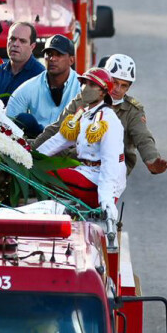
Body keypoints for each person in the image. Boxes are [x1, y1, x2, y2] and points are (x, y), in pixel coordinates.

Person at [34, 54, 167, 176]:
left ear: (128, 88)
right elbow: (57, 129)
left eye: (123, 86)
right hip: (75, 160)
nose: (117, 89)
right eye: (115, 82)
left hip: (110, 170)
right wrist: (31, 151)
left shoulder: (132, 111)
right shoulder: (82, 100)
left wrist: (152, 161)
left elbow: (143, 139)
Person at [37, 68, 125, 221]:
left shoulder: (108, 121)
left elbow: (110, 164)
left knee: (44, 173)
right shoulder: (84, 114)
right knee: (37, 168)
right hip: (85, 171)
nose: (85, 88)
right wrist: (30, 158)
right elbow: (58, 141)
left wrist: (106, 201)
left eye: (91, 85)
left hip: (97, 183)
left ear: (103, 92)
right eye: (84, 83)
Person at [6, 34, 80, 137]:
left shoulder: (82, 88)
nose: (52, 59)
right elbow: (8, 122)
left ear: (71, 60)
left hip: (70, 144)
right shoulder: (29, 87)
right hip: (37, 145)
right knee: (25, 119)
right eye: (48, 54)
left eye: (58, 54)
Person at [0, 22, 44, 105]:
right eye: (12, 39)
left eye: (22, 41)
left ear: (32, 46)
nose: (15, 44)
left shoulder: (40, 76)